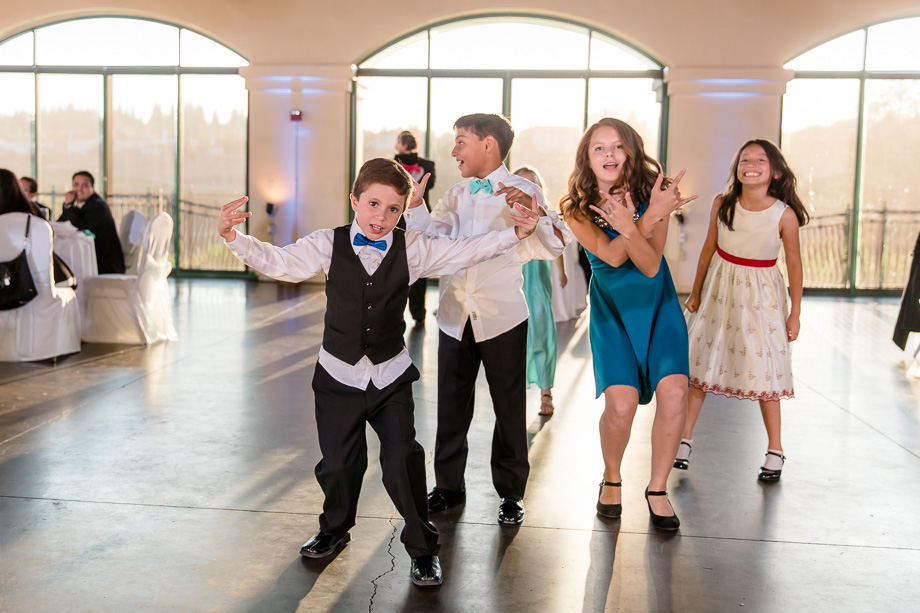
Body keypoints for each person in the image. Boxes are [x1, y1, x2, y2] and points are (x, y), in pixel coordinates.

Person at [218, 157, 542, 587]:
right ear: (354, 201)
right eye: (373, 205)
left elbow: (466, 250)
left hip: (390, 377)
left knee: (403, 463)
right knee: (337, 465)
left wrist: (516, 232)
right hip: (337, 377)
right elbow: (280, 263)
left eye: (393, 210)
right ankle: (334, 530)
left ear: (403, 211)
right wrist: (232, 237)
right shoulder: (326, 243)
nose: (381, 218)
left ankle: (424, 551)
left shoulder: (415, 247)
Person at [405, 113, 568, 526]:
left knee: (510, 408)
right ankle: (447, 486)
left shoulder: (525, 190)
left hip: (503, 317)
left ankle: (511, 493)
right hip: (454, 315)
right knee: (451, 406)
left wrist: (535, 220)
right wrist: (416, 207)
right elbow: (429, 242)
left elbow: (552, 246)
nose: (454, 150)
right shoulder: (455, 195)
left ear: (489, 145)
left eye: (461, 141)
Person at [560, 118, 696, 531]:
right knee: (620, 405)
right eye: (598, 148)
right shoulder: (575, 207)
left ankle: (657, 488)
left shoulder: (654, 192)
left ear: (632, 151)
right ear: (587, 156)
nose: (609, 155)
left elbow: (652, 264)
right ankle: (612, 476)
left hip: (658, 305)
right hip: (613, 310)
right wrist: (646, 220)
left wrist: (650, 212)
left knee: (675, 393)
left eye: (617, 146)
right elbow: (613, 257)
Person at [678, 139, 807, 482]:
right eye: (744, 159)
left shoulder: (784, 214)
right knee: (702, 362)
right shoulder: (723, 204)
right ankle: (685, 439)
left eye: (760, 160)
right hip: (721, 287)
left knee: (766, 367)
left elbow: (794, 263)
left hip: (762, 293)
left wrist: (794, 313)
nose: (750, 164)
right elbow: (708, 248)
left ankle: (775, 449)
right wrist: (696, 292)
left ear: (775, 170)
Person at [513, 166, 564, 415]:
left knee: (542, 330)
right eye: (520, 184)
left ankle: (546, 391)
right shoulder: (504, 214)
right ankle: (515, 391)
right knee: (516, 334)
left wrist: (562, 272)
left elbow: (558, 244)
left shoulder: (544, 213)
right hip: (513, 277)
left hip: (537, 277)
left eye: (530, 185)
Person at [395, 131, 437, 326]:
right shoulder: (393, 165)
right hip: (398, 220)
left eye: (398, 141)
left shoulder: (426, 167)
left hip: (417, 218)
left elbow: (427, 187)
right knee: (403, 267)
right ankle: (415, 314)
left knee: (417, 266)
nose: (397, 145)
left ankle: (417, 313)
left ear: (403, 144)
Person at [57, 171, 125, 274]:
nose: (79, 189)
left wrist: (69, 205)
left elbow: (79, 226)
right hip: (87, 258)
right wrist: (68, 206)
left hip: (103, 265)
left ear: (92, 188)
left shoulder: (98, 206)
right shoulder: (81, 205)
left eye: (84, 185)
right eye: (76, 184)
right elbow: (61, 223)